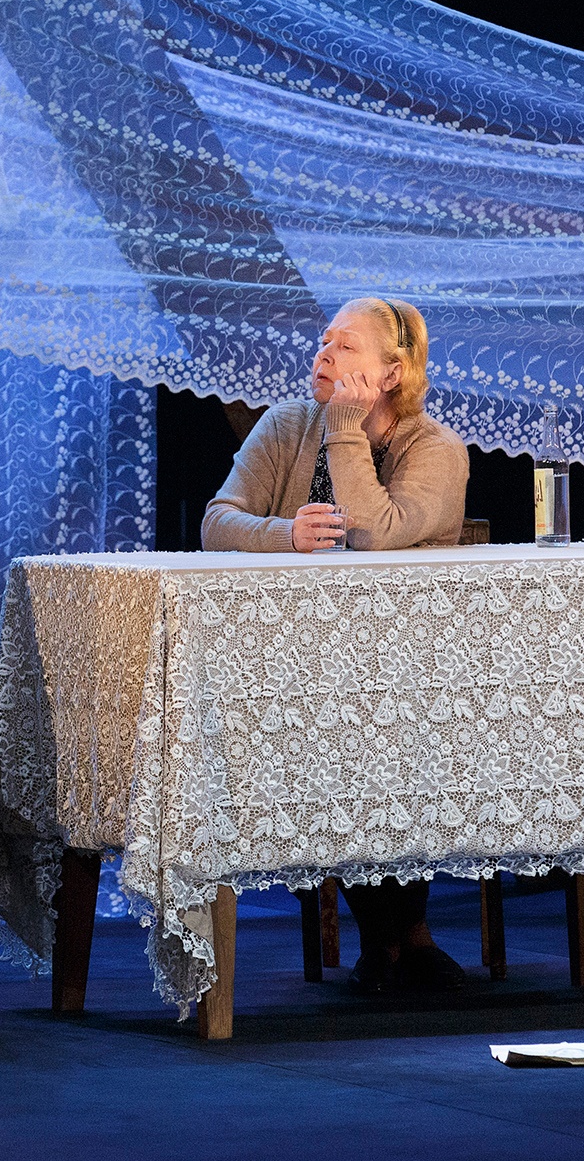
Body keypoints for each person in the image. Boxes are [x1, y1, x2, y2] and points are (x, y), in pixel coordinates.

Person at [202, 296, 470, 993]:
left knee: (380, 739)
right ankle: (398, 942)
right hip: (299, 663)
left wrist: (346, 430)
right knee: (332, 735)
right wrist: (282, 533)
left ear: (392, 373)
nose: (324, 354)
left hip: (412, 670)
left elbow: (376, 531)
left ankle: (399, 939)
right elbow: (217, 520)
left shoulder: (436, 449)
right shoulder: (288, 424)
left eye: (346, 346)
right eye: (324, 341)